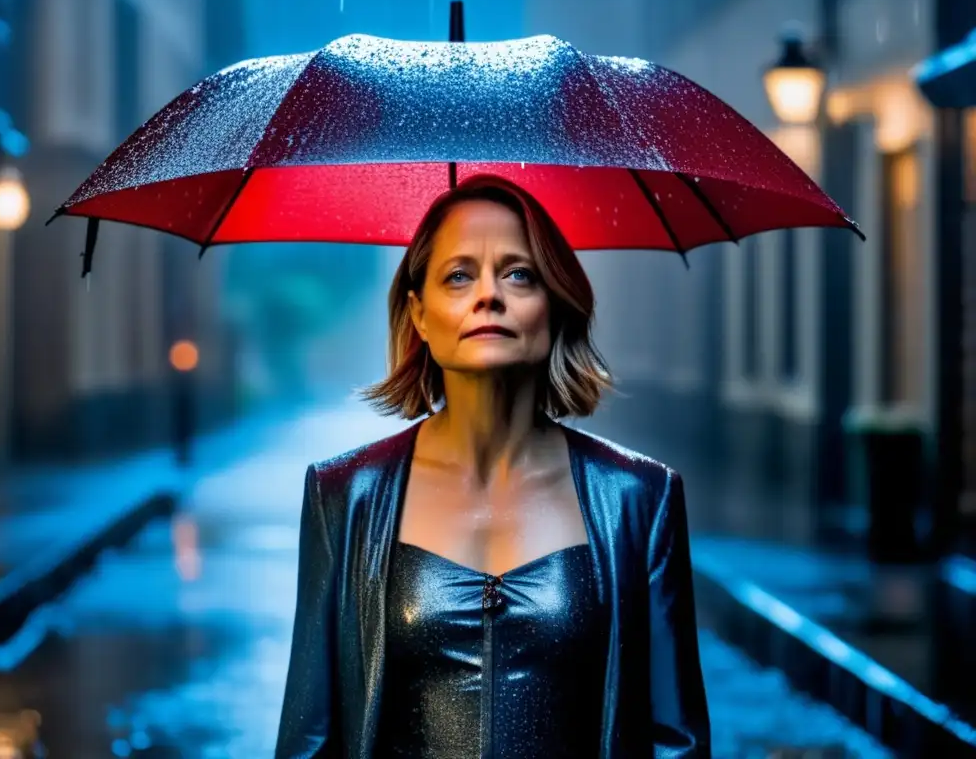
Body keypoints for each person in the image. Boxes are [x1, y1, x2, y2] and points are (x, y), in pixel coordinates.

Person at [274, 175, 711, 758]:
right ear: (420, 315)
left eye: (518, 273)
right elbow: (309, 739)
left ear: (555, 303)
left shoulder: (640, 498)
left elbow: (675, 741)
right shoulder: (343, 494)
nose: (489, 295)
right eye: (458, 275)